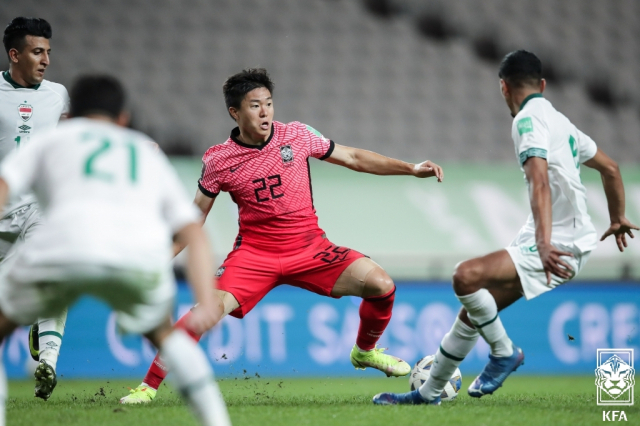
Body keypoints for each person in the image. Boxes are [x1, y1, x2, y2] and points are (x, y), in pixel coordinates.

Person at [120, 68, 444, 403]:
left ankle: (364, 352)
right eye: (255, 106)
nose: (265, 112)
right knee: (204, 312)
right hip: (255, 255)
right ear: (235, 112)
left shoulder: (297, 135)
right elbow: (195, 217)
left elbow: (353, 157)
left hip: (310, 248)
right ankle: (147, 388)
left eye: (269, 104)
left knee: (382, 285)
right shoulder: (218, 159)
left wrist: (410, 168)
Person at [372, 49, 638, 405]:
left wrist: (544, 244)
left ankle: (504, 352)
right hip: (561, 238)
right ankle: (428, 393)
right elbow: (612, 168)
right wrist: (618, 217)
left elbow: (540, 183)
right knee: (474, 312)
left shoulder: (526, 122)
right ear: (542, 85)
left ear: (503, 87)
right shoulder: (561, 122)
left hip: (557, 242)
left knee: (464, 277)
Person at [0, 75, 231, 426]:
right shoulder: (142, 149)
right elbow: (193, 233)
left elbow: (5, 185)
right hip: (134, 255)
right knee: (165, 338)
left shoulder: (52, 140)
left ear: (71, 113)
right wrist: (204, 298)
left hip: (60, 247)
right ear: (123, 117)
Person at [0, 17, 70, 400]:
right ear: (15, 54)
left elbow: (81, 131)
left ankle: (48, 361)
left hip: (38, 207)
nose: (45, 60)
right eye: (36, 52)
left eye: (47, 52)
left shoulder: (58, 94)